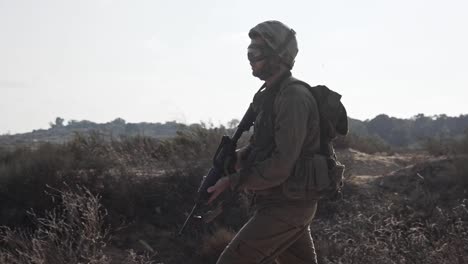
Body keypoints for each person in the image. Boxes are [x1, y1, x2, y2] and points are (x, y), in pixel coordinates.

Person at [207, 20, 322, 264]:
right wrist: (238, 156)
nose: (250, 58)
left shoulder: (293, 97)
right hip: (281, 201)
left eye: (255, 52)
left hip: (288, 205)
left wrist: (233, 181)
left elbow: (282, 163)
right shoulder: (271, 95)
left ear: (278, 56)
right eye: (248, 52)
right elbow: (266, 146)